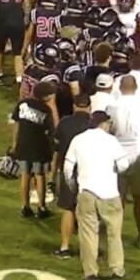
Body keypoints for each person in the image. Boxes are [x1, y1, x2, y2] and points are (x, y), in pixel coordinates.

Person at [64, 111, 130, 280]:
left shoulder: (78, 139)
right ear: (104, 124)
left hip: (86, 192)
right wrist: (114, 171)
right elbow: (123, 164)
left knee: (88, 234)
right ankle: (117, 270)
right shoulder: (111, 141)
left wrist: (74, 187)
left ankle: (90, 272)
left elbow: (67, 168)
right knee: (114, 234)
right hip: (109, 193)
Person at [106, 75, 140, 247]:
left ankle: (116, 237)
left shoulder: (112, 107)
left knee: (117, 199)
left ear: (120, 88)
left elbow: (108, 130)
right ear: (135, 88)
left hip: (117, 155)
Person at [52, 92, 91, 258]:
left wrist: (53, 173)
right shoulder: (94, 126)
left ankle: (65, 247)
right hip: (89, 172)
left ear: (74, 106)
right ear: (89, 107)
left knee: (68, 209)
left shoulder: (64, 123)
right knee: (89, 213)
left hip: (68, 171)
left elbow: (56, 149)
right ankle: (89, 249)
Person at [11, 81, 58, 220]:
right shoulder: (46, 110)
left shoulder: (23, 104)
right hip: (39, 147)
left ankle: (25, 207)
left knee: (25, 175)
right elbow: (53, 129)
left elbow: (16, 124)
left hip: (23, 144)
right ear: (46, 97)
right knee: (40, 176)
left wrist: (14, 143)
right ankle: (41, 208)